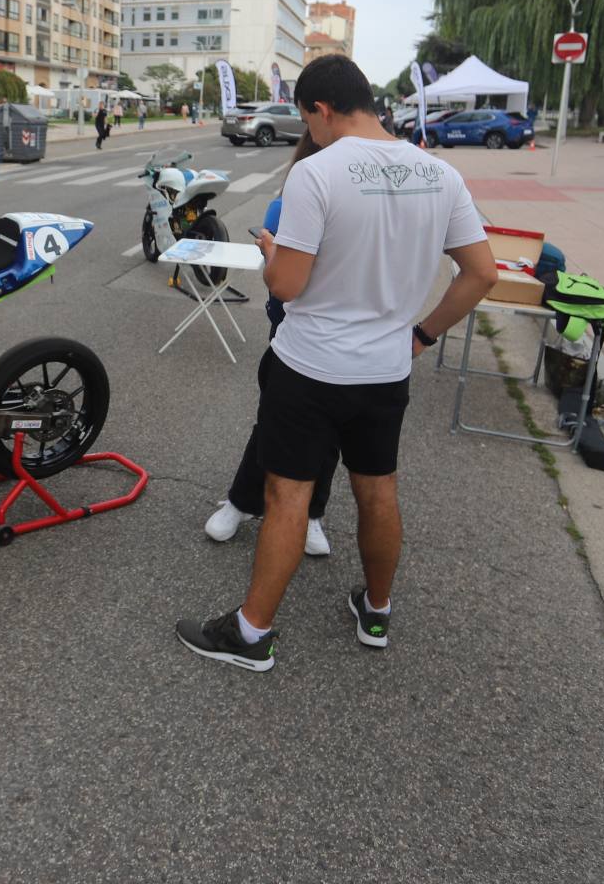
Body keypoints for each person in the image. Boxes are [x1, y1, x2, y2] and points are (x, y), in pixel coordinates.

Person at [176, 55, 497, 671]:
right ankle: (376, 612)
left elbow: (289, 286)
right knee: (378, 492)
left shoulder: (317, 174)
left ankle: (251, 635)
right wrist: (423, 335)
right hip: (385, 369)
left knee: (288, 493)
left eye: (308, 119)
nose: (310, 133)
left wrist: (272, 254)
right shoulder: (440, 174)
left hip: (311, 368)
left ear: (320, 109)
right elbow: (480, 272)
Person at [204, 130, 337, 554]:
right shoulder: (287, 203)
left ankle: (313, 513)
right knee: (273, 423)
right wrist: (272, 253)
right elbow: (283, 285)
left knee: (329, 434)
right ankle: (243, 501)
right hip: (292, 334)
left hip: (347, 342)